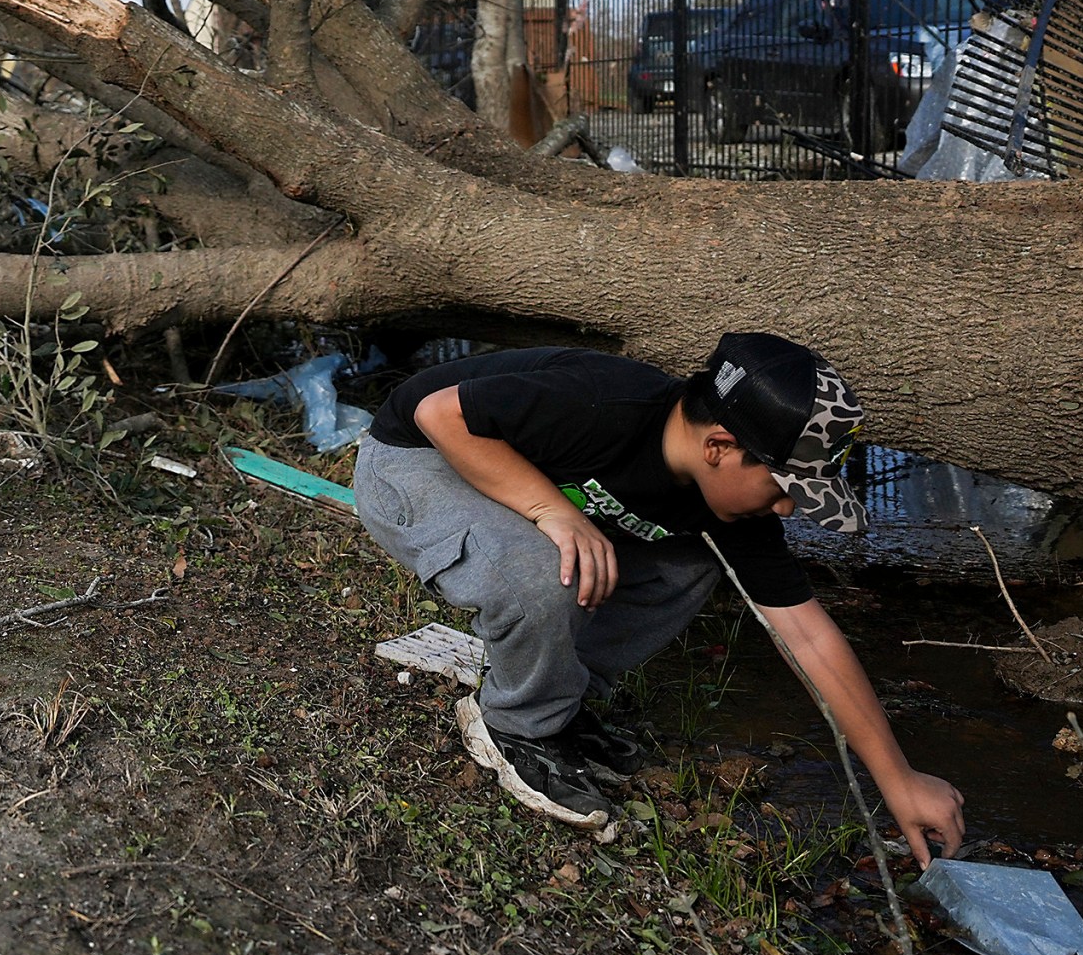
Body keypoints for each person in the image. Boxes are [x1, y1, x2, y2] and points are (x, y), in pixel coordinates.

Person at [354, 333, 965, 865]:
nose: (787, 509)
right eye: (784, 488)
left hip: (502, 477)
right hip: (416, 462)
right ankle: (515, 727)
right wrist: (553, 514)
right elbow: (440, 414)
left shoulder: (727, 504)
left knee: (692, 559)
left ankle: (562, 698)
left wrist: (898, 778)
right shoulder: (604, 403)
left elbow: (806, 633)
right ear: (720, 446)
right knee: (541, 568)